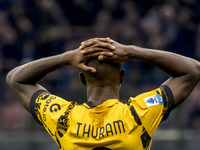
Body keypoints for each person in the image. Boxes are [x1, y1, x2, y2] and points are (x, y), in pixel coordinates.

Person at [6, 37, 200, 150]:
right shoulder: (141, 111)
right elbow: (192, 70)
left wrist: (65, 58)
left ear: (82, 80)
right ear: (122, 77)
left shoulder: (62, 116)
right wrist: (133, 51)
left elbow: (15, 79)